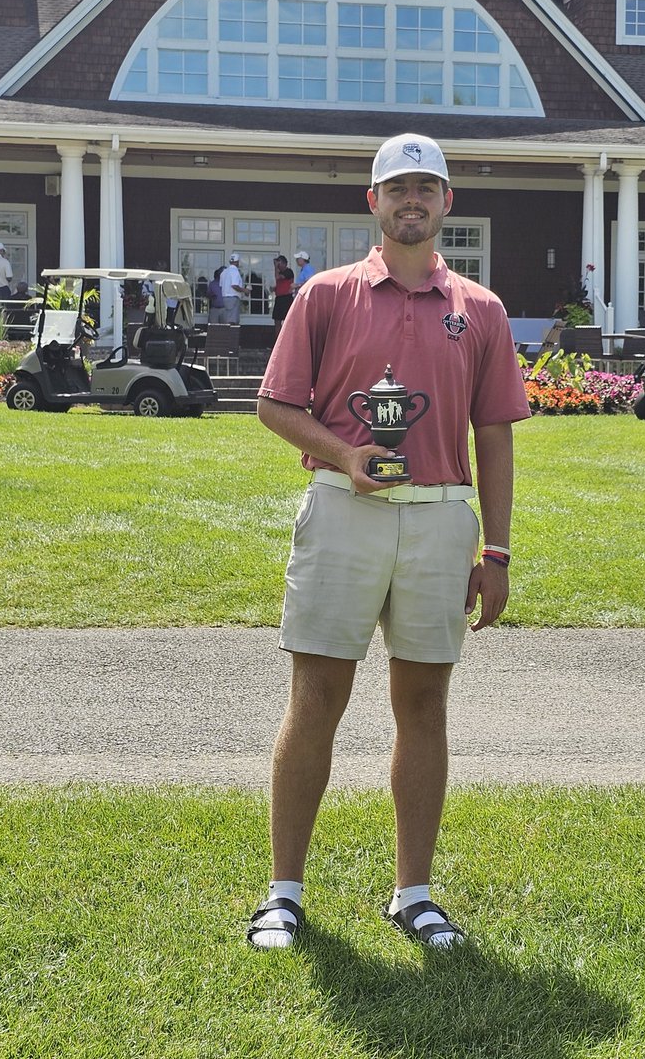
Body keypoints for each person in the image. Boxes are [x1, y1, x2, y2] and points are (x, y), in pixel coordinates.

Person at [250, 133, 530, 951]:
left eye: (427, 188)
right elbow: (275, 404)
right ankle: (284, 894)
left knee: (425, 705)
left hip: (443, 517)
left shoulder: (479, 309)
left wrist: (499, 552)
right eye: (397, 188)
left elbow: (497, 435)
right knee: (317, 700)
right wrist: (345, 454)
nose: (412, 201)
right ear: (371, 202)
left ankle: (414, 894)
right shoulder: (327, 295)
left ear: (448, 203)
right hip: (343, 505)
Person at [219, 253, 248, 324]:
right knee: (232, 321)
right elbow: (234, 285)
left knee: (227, 318)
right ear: (237, 262)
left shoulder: (224, 272)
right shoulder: (235, 271)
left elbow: (221, 285)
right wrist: (244, 290)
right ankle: (231, 335)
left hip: (225, 297)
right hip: (233, 297)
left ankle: (227, 334)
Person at [271, 255, 294, 341]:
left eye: (279, 263)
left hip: (286, 298)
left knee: (286, 320)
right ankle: (278, 340)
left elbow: (278, 277)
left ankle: (287, 340)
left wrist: (275, 267)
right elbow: (280, 283)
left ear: (284, 263)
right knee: (277, 320)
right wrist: (275, 288)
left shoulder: (288, 272)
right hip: (279, 298)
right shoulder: (279, 273)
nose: (278, 265)